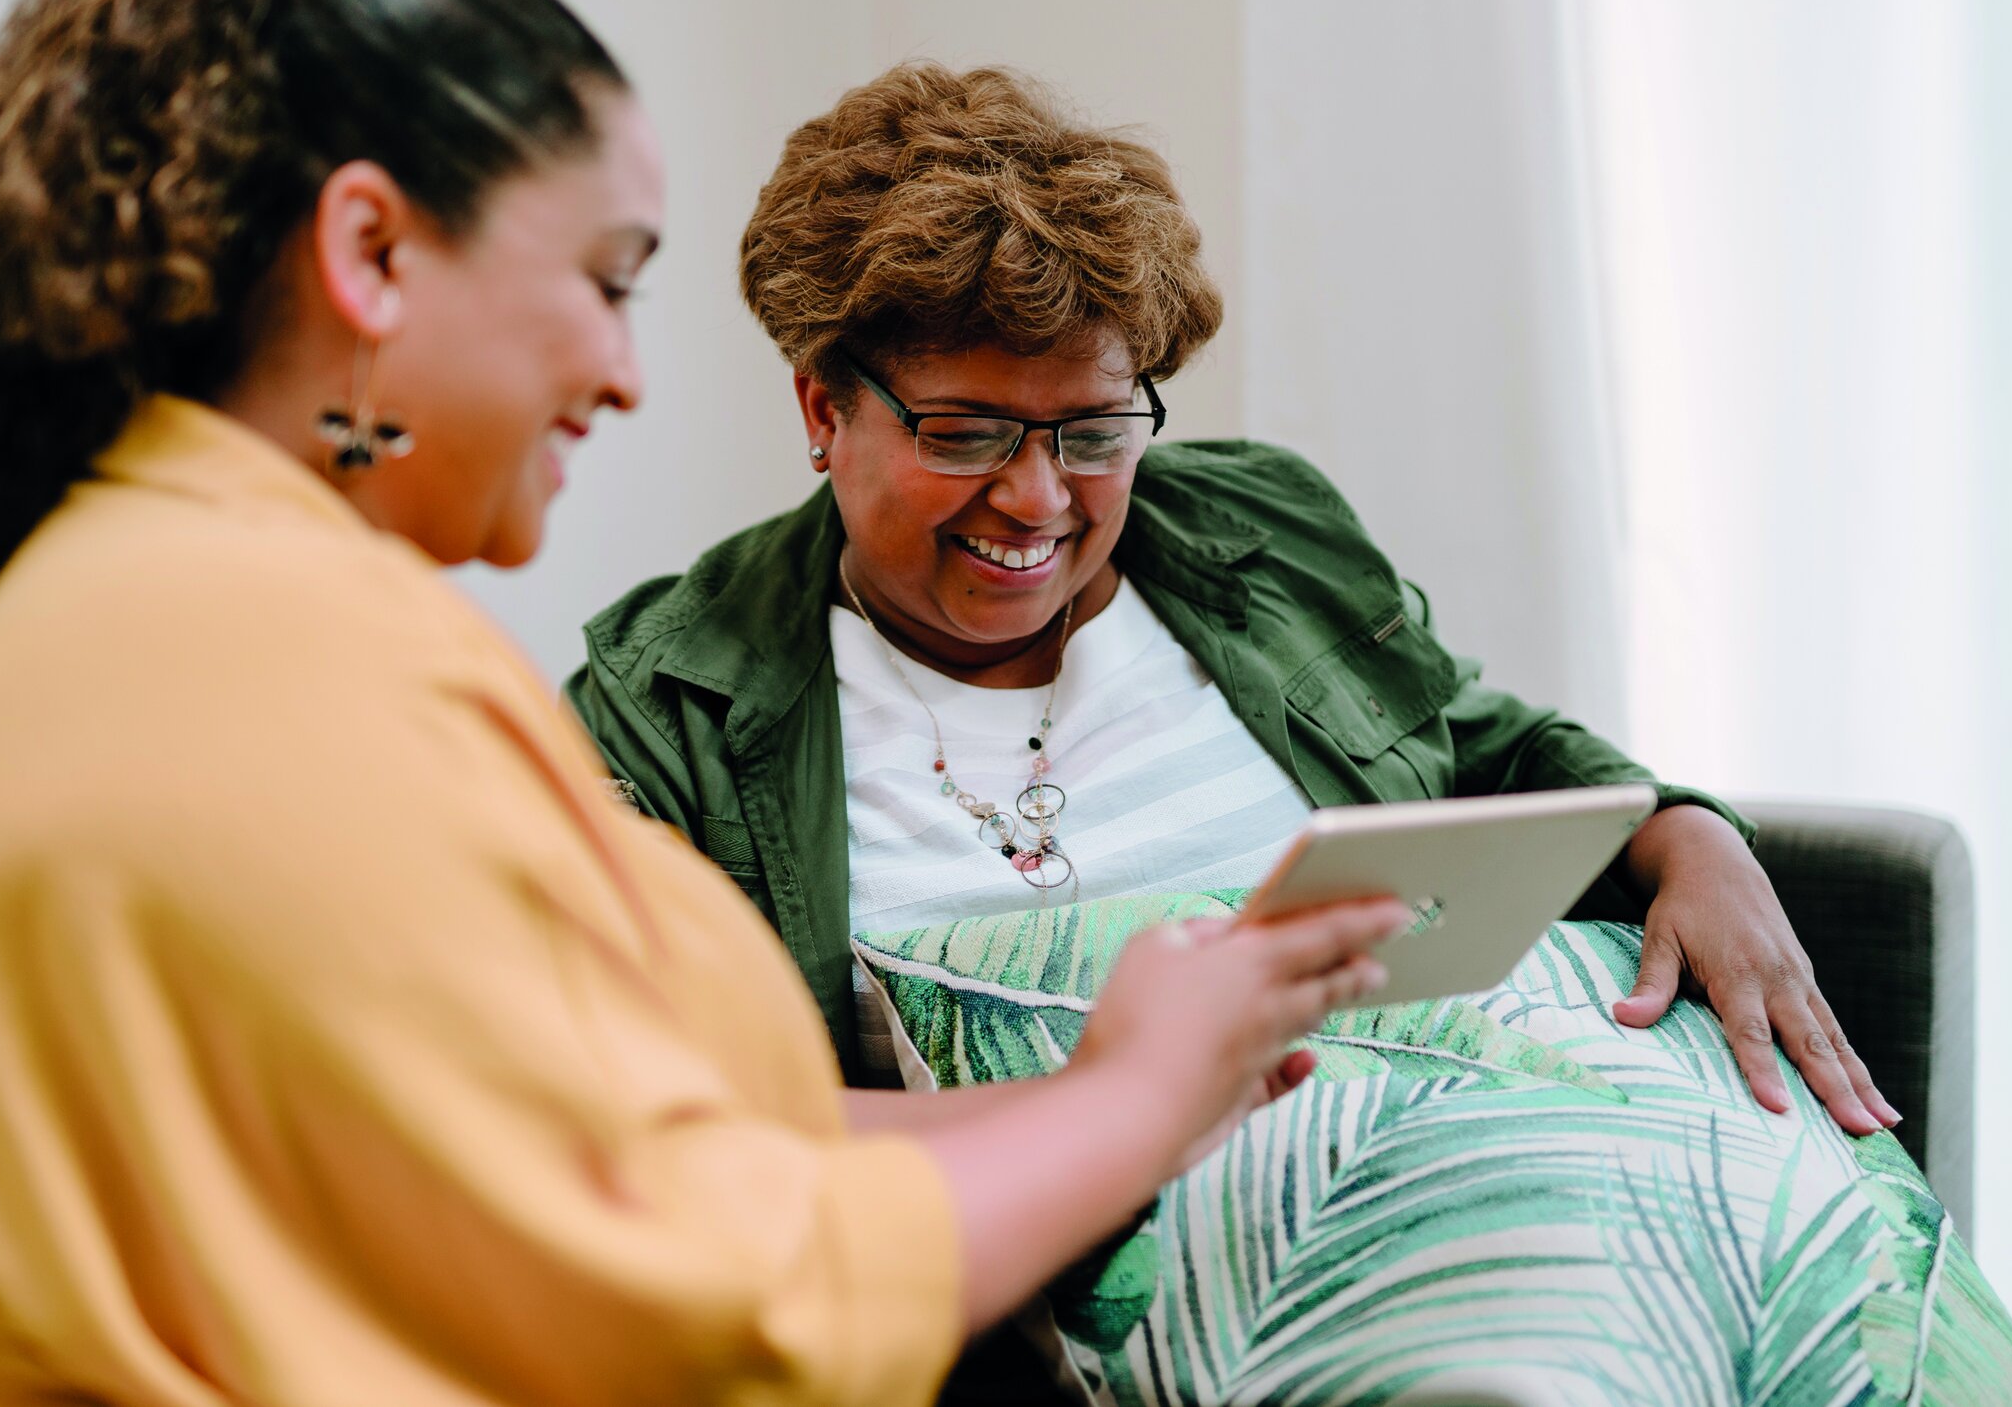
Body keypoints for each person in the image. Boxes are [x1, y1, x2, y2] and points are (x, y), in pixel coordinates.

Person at [0, 0, 1408, 1406]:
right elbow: (717, 1313)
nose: (626, 378)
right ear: (372, 252)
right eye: (602, 282)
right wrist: (1131, 1095)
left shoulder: (168, 593)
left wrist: (1134, 1090)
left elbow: (581, 1145)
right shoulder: (272, 661)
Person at [570, 60, 1900, 1137]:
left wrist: (1690, 839)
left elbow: (1493, 756)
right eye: (968, 433)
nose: (1038, 500)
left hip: (1432, 1166)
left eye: (1094, 432)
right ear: (824, 409)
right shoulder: (673, 707)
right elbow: (662, 1129)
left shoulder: (1256, 532)